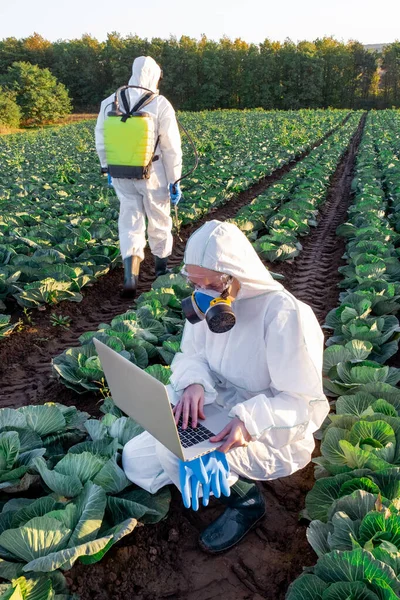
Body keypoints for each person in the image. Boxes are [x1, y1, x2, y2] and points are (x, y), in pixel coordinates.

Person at [122, 219, 330, 553]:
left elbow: (303, 404)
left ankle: (247, 501)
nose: (201, 294)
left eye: (208, 283)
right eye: (194, 283)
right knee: (134, 458)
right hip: (218, 406)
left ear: (234, 277)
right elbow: (192, 353)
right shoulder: (208, 306)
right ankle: (195, 469)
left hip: (268, 428)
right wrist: (193, 384)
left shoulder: (284, 315)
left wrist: (249, 422)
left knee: (173, 454)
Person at [95, 56, 183, 297]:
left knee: (130, 221)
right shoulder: (160, 103)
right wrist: (175, 180)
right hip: (153, 173)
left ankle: (130, 278)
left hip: (121, 172)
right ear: (155, 76)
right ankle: (161, 274)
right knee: (159, 220)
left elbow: (101, 140)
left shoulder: (108, 103)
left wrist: (107, 168)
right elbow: (171, 148)